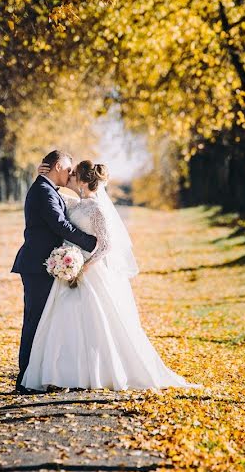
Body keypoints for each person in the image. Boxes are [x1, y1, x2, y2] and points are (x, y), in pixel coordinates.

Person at [21, 160, 194, 391]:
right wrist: (43, 176)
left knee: (96, 321)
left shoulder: (97, 209)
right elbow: (51, 201)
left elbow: (105, 246)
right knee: (64, 319)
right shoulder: (75, 203)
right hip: (72, 269)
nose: (69, 177)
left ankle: (96, 372)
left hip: (90, 272)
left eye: (73, 175)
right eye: (68, 172)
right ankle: (62, 373)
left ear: (83, 181)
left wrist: (83, 268)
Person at [10, 150, 97, 394]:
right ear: (58, 166)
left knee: (45, 322)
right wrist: (89, 243)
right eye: (68, 169)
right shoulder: (43, 191)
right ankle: (26, 378)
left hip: (44, 265)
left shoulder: (47, 189)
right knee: (35, 321)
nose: (71, 174)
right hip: (37, 267)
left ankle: (40, 374)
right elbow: (60, 224)